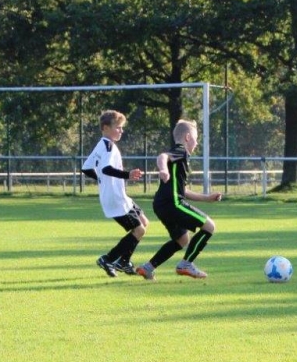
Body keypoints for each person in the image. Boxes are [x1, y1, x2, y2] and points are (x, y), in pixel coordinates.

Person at [136, 119, 223, 281]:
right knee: (209, 226)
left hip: (161, 205)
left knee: (182, 239)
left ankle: (148, 268)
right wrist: (163, 169)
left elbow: (182, 191)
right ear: (188, 137)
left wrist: (207, 198)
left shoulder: (180, 159)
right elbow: (162, 156)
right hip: (172, 203)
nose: (197, 143)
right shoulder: (181, 151)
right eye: (196, 139)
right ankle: (186, 264)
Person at [81, 110, 148, 278]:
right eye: (118, 127)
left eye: (121, 127)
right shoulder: (108, 146)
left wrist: (101, 180)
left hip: (120, 196)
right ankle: (108, 259)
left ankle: (124, 261)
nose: (121, 131)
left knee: (143, 222)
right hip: (115, 198)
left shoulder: (102, 144)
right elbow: (106, 169)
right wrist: (127, 175)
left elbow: (86, 168)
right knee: (139, 230)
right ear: (105, 128)